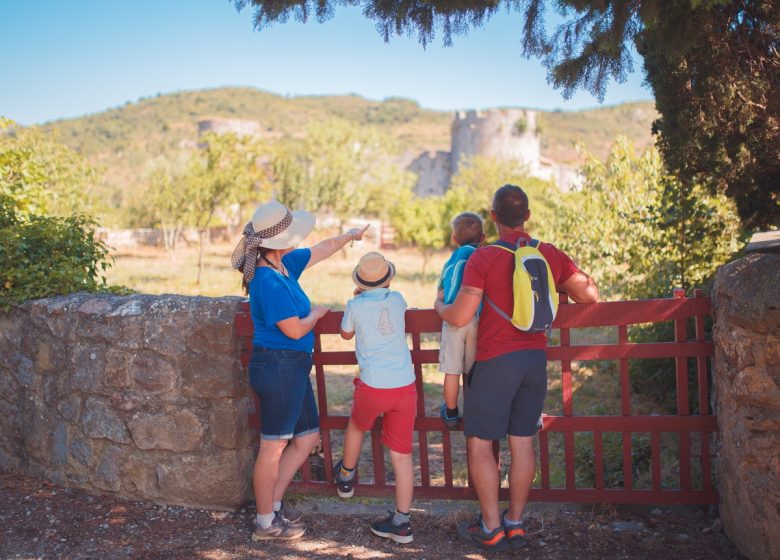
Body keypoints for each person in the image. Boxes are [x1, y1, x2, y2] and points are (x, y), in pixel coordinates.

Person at [434, 185, 598, 551]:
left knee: (480, 444)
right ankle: (515, 523)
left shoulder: (484, 257)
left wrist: (440, 306)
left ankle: (490, 527)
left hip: (494, 362)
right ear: (527, 216)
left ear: (492, 217)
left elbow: (460, 316)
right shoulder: (548, 253)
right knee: (522, 443)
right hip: (534, 361)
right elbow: (590, 294)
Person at [231, 200, 368, 542]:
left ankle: (272, 505)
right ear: (279, 241)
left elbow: (321, 248)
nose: (299, 239)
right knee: (273, 446)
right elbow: (293, 330)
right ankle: (265, 524)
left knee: (305, 438)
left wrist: (351, 235)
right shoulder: (268, 279)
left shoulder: (284, 265)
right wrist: (318, 315)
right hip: (277, 366)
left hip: (291, 366)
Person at [334, 252, 417, 544]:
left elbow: (345, 334)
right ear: (388, 278)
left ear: (360, 282)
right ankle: (402, 522)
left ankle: (346, 477)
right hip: (404, 386)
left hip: (373, 385)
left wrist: (358, 299)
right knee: (402, 455)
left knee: (357, 426)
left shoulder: (354, 305)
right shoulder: (398, 300)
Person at [437, 212, 485, 429]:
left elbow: (440, 294)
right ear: (483, 238)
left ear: (454, 239)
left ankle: (451, 411)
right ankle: (476, 411)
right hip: (476, 318)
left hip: (453, 319)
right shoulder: (483, 257)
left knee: (452, 370)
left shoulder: (451, 260)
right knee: (474, 369)